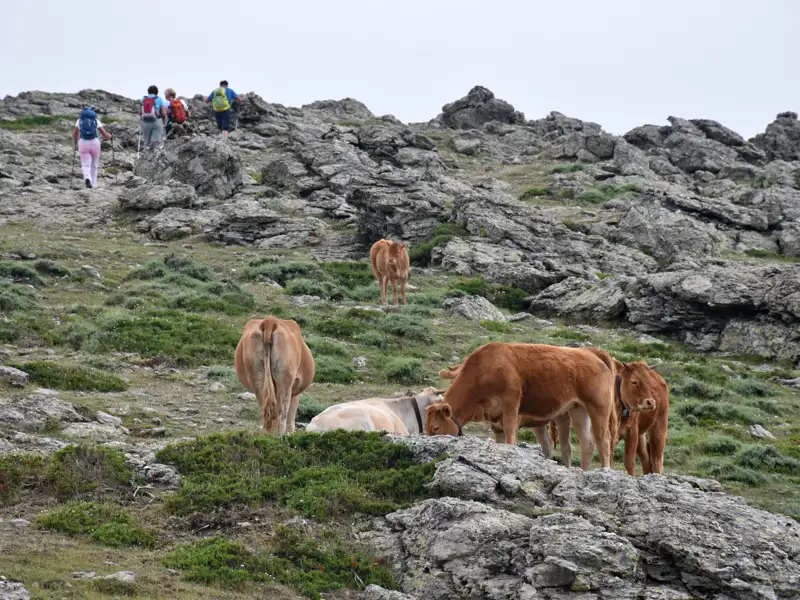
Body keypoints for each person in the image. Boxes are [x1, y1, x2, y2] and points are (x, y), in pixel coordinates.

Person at [72, 106, 113, 189]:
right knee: (94, 164)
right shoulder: (96, 120)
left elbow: (74, 135)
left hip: (83, 142)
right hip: (95, 142)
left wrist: (76, 139)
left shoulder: (79, 120)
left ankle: (87, 178)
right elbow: (105, 135)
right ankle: (94, 184)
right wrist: (111, 136)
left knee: (85, 164)